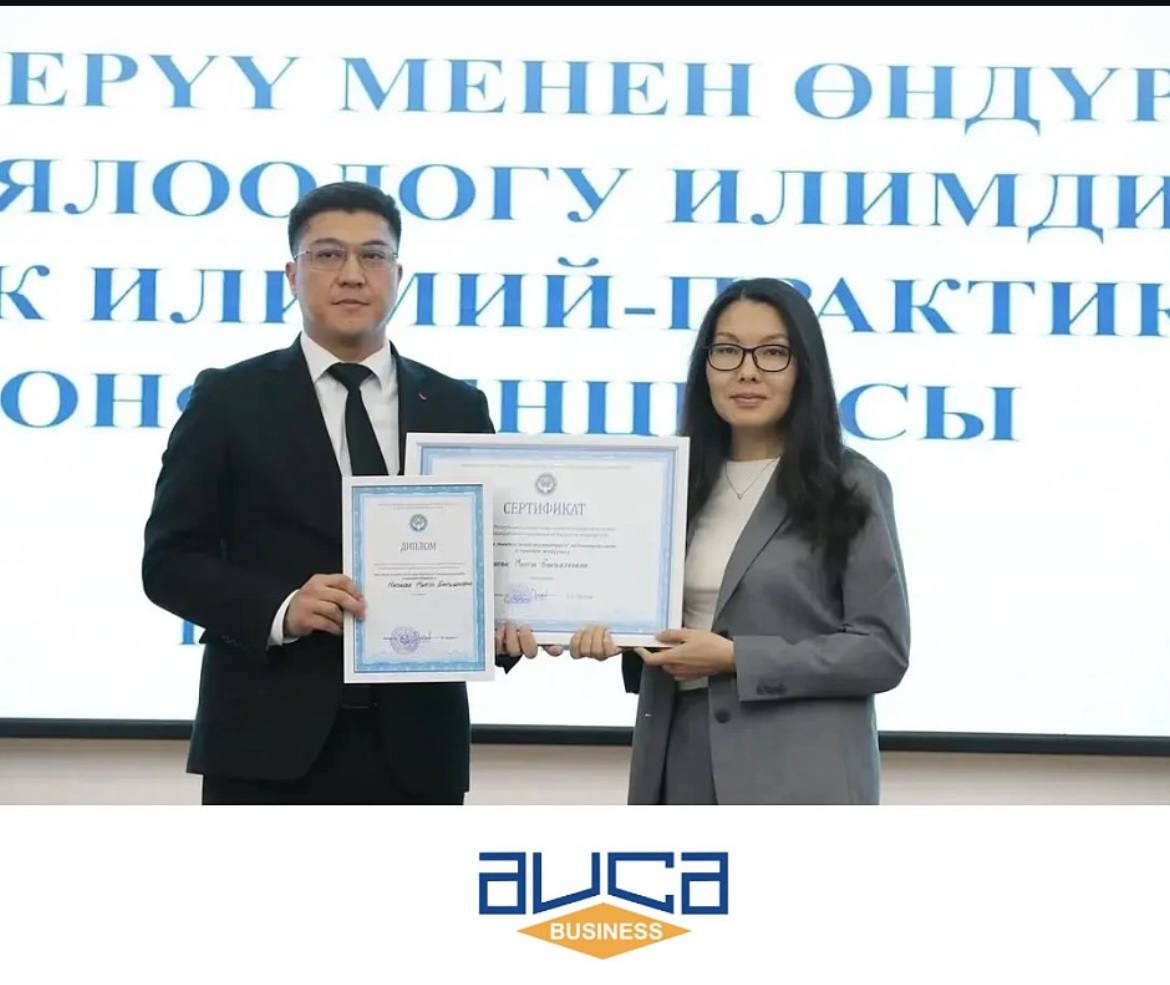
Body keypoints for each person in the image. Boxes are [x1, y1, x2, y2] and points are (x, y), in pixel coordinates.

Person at [142, 181, 536, 805]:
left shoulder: (457, 405)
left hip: (418, 752)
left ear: (398, 276)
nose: (352, 274)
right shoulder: (228, 400)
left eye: (373, 256)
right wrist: (282, 608)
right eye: (327, 254)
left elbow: (491, 563)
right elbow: (168, 562)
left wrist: (511, 624)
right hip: (265, 747)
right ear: (292, 275)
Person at [567, 277, 911, 804]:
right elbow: (659, 621)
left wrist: (737, 658)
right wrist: (610, 633)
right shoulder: (672, 483)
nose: (746, 371)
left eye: (772, 352)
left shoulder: (850, 486)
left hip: (801, 774)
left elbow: (880, 652)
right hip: (680, 759)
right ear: (705, 366)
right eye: (727, 351)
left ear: (804, 369)